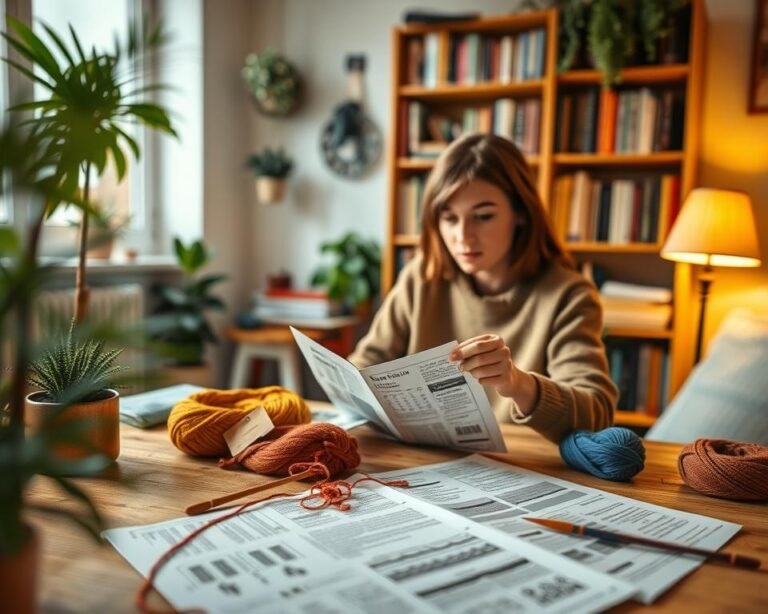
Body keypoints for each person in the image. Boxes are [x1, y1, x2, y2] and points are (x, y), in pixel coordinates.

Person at [348, 133, 617, 443]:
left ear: (520, 214)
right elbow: (365, 365)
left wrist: (517, 383)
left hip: (523, 469)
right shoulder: (422, 276)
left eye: (483, 216)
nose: (463, 236)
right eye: (449, 218)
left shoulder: (570, 295)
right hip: (421, 458)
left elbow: (597, 412)